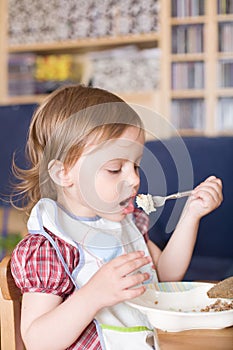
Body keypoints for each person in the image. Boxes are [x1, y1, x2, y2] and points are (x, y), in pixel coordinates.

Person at [10, 85, 222, 350]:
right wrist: (93, 295)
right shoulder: (51, 247)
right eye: (114, 169)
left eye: (135, 165)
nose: (134, 179)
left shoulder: (127, 224)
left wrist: (191, 215)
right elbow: (37, 341)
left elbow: (165, 275)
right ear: (63, 173)